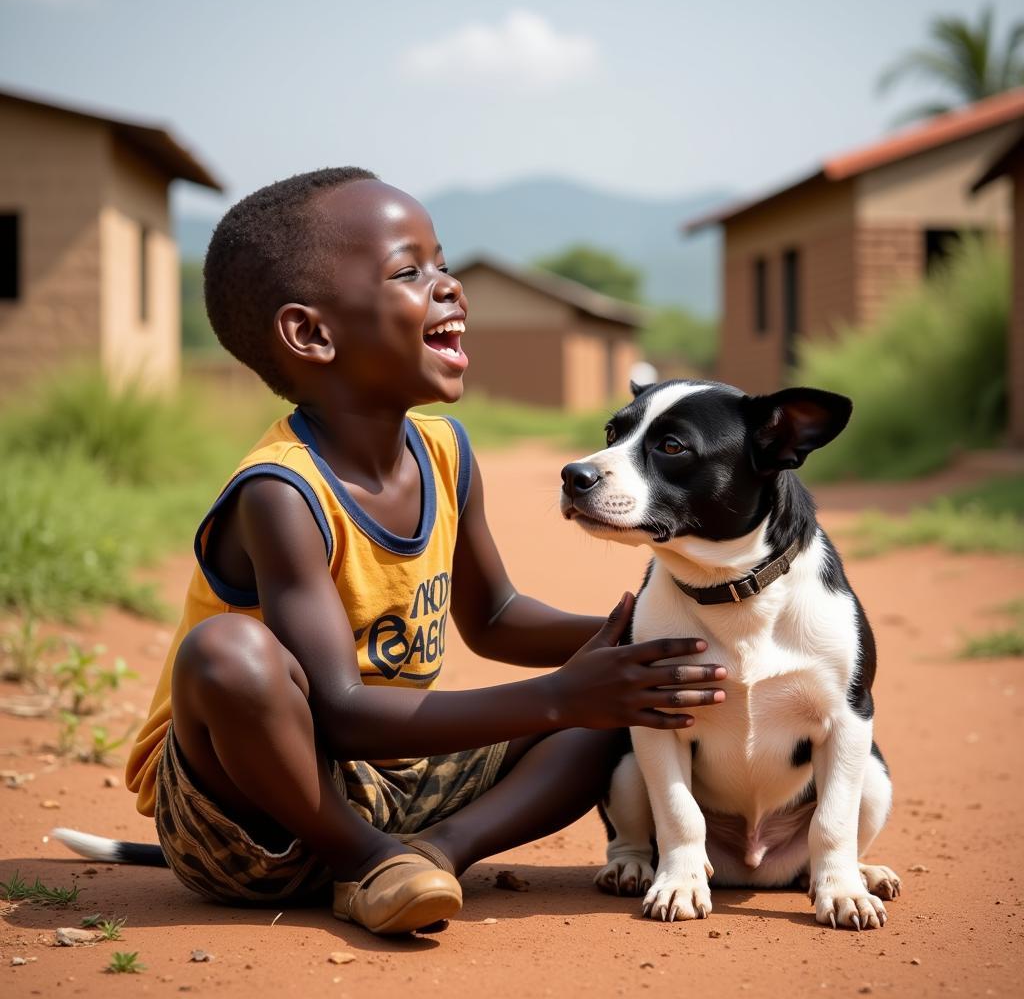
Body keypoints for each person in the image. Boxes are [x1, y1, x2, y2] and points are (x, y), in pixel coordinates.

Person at [124, 167, 726, 935]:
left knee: (611, 705)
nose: (449, 287)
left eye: (441, 263)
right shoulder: (280, 492)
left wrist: (637, 642)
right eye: (410, 271)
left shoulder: (442, 451)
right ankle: (370, 861)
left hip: (396, 780)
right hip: (247, 812)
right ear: (312, 333)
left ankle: (435, 853)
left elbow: (497, 617)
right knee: (227, 654)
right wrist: (557, 695)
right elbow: (339, 714)